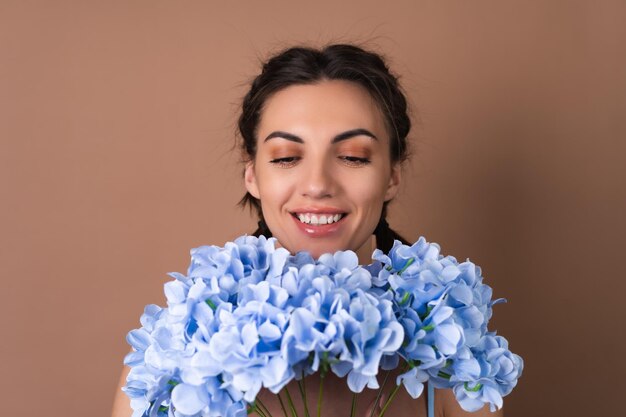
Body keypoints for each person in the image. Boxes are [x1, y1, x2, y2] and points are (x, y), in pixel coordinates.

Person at [111, 44, 502, 417]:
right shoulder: (171, 361)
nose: (317, 184)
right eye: (286, 158)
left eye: (352, 156)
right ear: (252, 175)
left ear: (392, 176)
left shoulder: (454, 364)